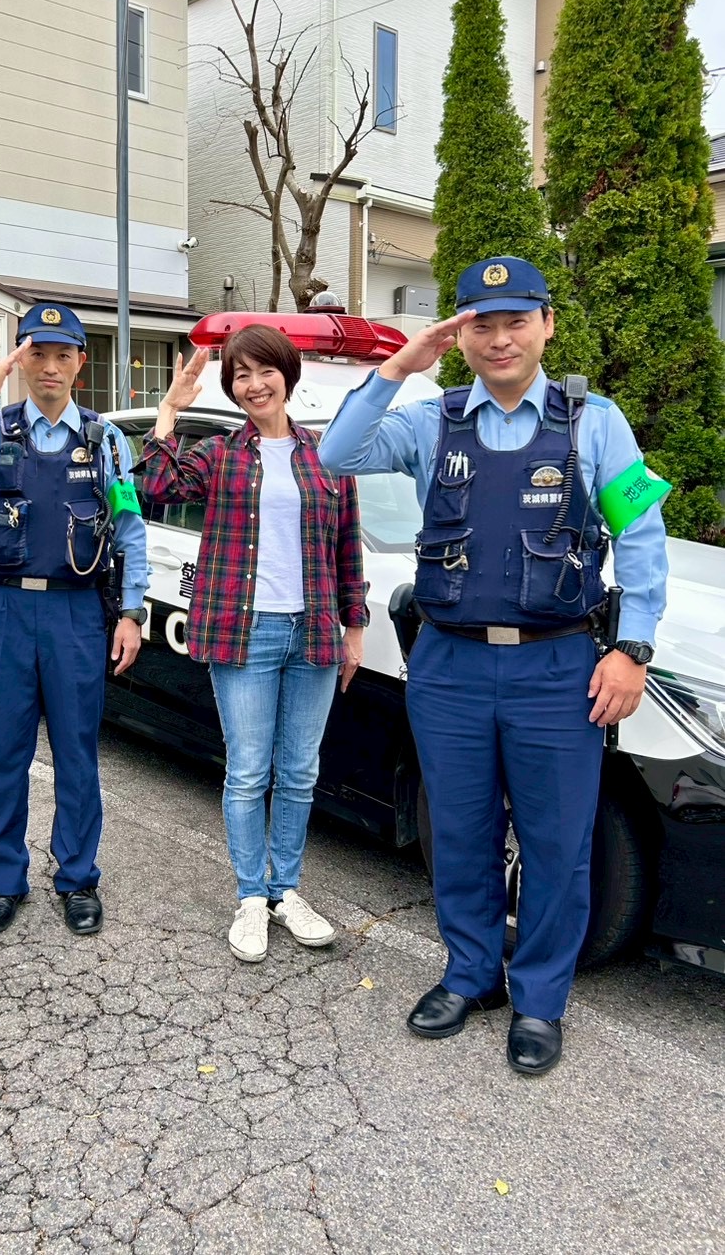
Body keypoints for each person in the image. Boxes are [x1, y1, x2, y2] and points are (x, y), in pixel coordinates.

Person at [318, 256, 669, 1075]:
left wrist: (633, 648)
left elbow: (641, 539)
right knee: (463, 832)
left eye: (517, 320)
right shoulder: (431, 421)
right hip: (449, 665)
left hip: (558, 668)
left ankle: (540, 997)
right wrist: (398, 367)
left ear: (547, 324)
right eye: (482, 322)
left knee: (556, 842)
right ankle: (472, 973)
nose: (501, 337)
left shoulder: (595, 423)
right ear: (460, 334)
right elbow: (338, 453)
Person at [0, 303, 148, 937]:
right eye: (35, 354)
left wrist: (130, 613)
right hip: (8, 610)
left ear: (80, 361)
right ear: (19, 359)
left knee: (77, 754)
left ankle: (77, 878)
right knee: (6, 753)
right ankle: (3, 880)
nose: (49, 366)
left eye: (61, 354)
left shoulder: (104, 439)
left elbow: (130, 533)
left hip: (77, 612)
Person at [135, 325, 368, 963]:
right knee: (247, 771)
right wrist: (170, 410)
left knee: (299, 772)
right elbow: (155, 487)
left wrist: (356, 628)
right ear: (232, 387)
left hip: (314, 629)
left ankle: (287, 891)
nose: (254, 384)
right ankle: (250, 897)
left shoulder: (327, 454)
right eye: (241, 375)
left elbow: (348, 545)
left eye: (265, 371)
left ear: (286, 376)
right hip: (245, 632)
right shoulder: (217, 453)